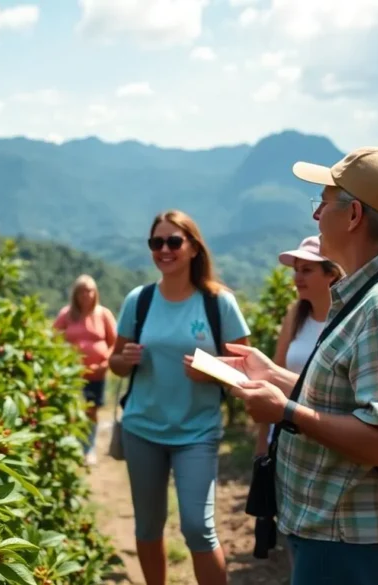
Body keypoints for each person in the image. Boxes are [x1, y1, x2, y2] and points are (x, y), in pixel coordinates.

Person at [221, 147, 378, 585]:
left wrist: (285, 412)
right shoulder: (374, 295)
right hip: (342, 534)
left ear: (353, 216)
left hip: (357, 542)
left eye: (323, 204)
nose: (316, 218)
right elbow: (351, 398)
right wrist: (275, 377)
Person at [108, 210, 251, 585]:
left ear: (193, 248)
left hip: (197, 432)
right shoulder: (138, 301)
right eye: (157, 242)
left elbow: (245, 367)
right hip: (143, 429)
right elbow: (116, 364)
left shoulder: (218, 304)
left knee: (198, 528)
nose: (164, 249)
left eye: (174, 241)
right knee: (148, 526)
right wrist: (124, 359)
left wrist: (210, 371)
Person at [254, 235, 344, 458]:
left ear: (331, 274)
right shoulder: (295, 316)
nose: (297, 278)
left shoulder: (348, 319)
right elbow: (274, 373)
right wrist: (263, 439)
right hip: (287, 432)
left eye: (307, 270)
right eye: (296, 270)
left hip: (329, 434)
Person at [53, 274, 118, 465]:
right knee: (70, 410)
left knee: (92, 410)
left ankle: (88, 448)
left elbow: (115, 342)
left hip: (96, 373)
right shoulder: (66, 314)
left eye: (89, 290)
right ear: (75, 293)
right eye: (81, 290)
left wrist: (105, 362)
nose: (85, 295)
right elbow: (53, 338)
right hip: (70, 375)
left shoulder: (103, 314)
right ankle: (70, 447)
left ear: (95, 292)